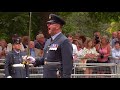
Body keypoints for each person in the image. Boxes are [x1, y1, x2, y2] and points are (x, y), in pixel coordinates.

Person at [27, 14, 73, 78]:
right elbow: (45, 59)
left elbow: (68, 64)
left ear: (57, 26)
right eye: (48, 24)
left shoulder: (64, 41)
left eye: (50, 24)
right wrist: (34, 60)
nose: (48, 25)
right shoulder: (48, 41)